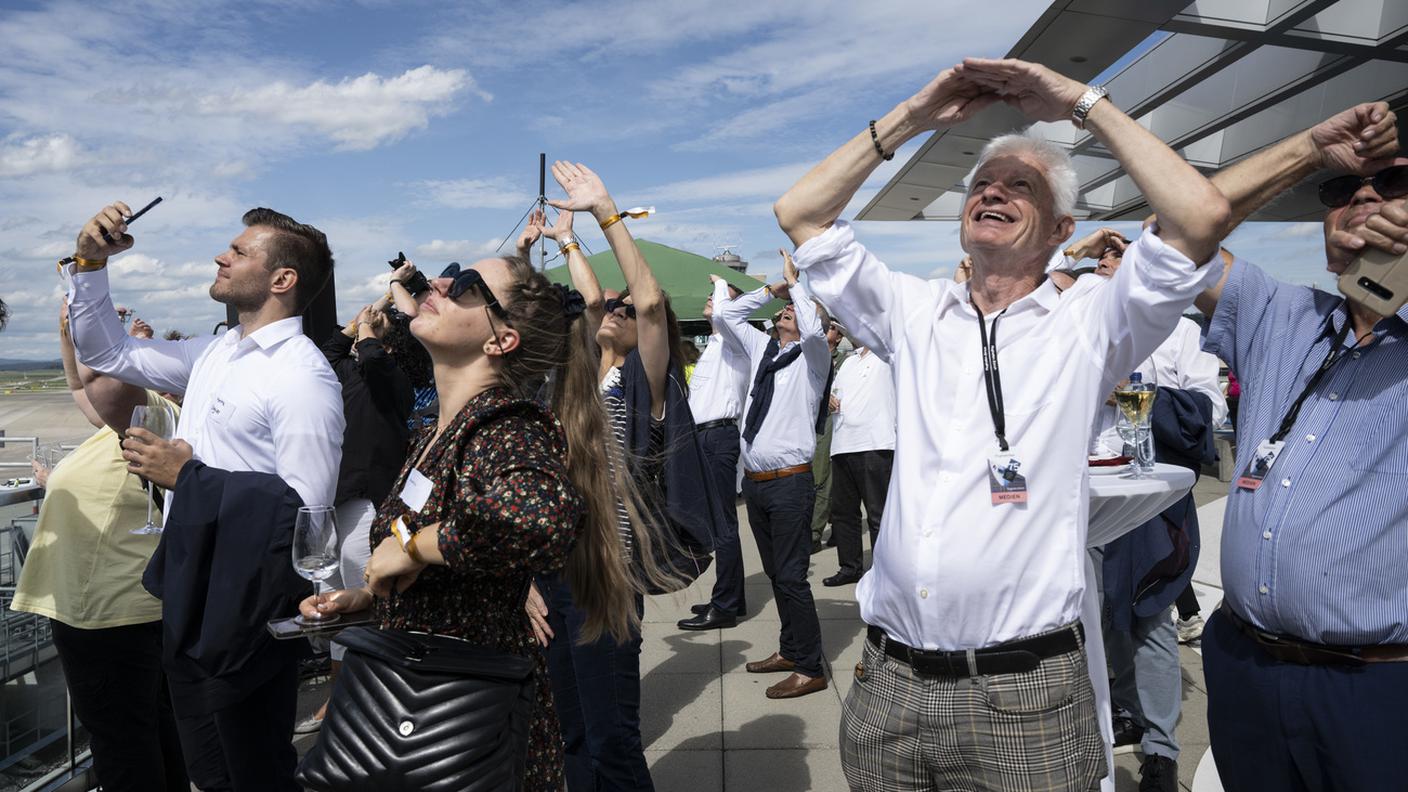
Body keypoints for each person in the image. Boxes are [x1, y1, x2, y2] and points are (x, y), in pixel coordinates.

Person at [775, 57, 1230, 790]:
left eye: (1023, 186)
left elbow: (1201, 217)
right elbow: (800, 213)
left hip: (1024, 697)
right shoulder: (914, 310)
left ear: (1061, 228)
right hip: (888, 686)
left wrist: (1082, 103)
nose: (993, 190)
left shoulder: (1091, 321)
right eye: (983, 183)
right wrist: (915, 115)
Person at [303, 251, 647, 792]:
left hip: (465, 725)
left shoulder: (504, 424)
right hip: (418, 709)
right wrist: (370, 596)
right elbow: (450, 571)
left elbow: (540, 517)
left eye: (465, 285)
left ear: (500, 340)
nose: (438, 282)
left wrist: (415, 546)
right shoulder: (436, 433)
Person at [65, 203, 345, 792]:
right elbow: (105, 353)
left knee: (253, 771)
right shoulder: (217, 353)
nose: (222, 255)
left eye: (240, 251)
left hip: (246, 607)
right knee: (210, 772)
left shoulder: (302, 375)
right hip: (192, 587)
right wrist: (90, 263)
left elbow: (309, 518)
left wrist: (187, 478)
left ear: (281, 280)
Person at [1188, 101, 1408, 792]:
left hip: (1379, 687)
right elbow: (1175, 233)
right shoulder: (1284, 314)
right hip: (1247, 664)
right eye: (1342, 191)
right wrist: (1309, 151)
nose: (1364, 198)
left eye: (1393, 186)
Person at [530, 161, 721, 791]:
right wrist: (559, 244)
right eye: (606, 306)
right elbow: (582, 302)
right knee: (569, 727)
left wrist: (605, 212)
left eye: (625, 308)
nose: (614, 308)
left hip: (607, 573)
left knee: (613, 734)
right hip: (556, 569)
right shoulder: (576, 378)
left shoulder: (648, 383)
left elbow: (648, 300)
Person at [1069, 226, 1226, 792]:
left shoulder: (1182, 334)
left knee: (1149, 615)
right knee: (1099, 613)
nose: (1108, 263)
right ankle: (1126, 707)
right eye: (1103, 257)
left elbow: (1206, 410)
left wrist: (1134, 394)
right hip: (1082, 494)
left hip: (1146, 500)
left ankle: (1161, 747)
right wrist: (1072, 254)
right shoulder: (1079, 326)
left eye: (1120, 254)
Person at [10, 300, 188, 792]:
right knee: (148, 727)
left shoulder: (157, 415)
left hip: (107, 608)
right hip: (115, 604)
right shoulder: (148, 416)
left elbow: (102, 386)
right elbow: (79, 386)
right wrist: (69, 333)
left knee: (121, 739)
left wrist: (91, 312)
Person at [714, 251, 833, 700]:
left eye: (794, 311)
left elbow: (816, 329)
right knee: (776, 573)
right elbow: (726, 314)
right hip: (759, 484)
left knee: (791, 575)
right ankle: (790, 649)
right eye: (783, 309)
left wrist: (797, 286)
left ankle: (809, 665)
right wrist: (771, 291)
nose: (785, 311)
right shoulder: (766, 351)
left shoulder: (813, 358)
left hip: (789, 481)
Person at [295, 297, 414, 735]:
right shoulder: (343, 372)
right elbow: (323, 354)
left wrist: (369, 333)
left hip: (372, 501)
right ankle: (342, 696)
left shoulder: (396, 377)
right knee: (332, 601)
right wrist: (353, 325)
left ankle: (377, 701)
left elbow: (379, 368)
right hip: (335, 498)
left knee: (368, 595)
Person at [679, 276, 752, 631]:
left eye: (719, 298)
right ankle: (730, 598)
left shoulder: (735, 340)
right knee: (719, 523)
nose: (712, 299)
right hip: (705, 437)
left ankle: (725, 604)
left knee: (722, 523)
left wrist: (723, 283)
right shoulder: (715, 345)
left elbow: (725, 317)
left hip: (718, 436)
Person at [821, 332, 895, 587]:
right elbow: (835, 394)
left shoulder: (886, 355)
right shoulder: (848, 361)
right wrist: (829, 399)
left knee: (878, 515)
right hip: (842, 445)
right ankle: (850, 566)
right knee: (843, 513)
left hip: (876, 444)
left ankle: (883, 570)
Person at [808, 307, 848, 553]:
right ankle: (837, 525)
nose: (827, 331)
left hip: (832, 422)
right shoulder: (810, 356)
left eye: (832, 328)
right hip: (810, 421)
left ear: (840, 337)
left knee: (822, 476)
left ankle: (813, 533)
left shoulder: (845, 361)